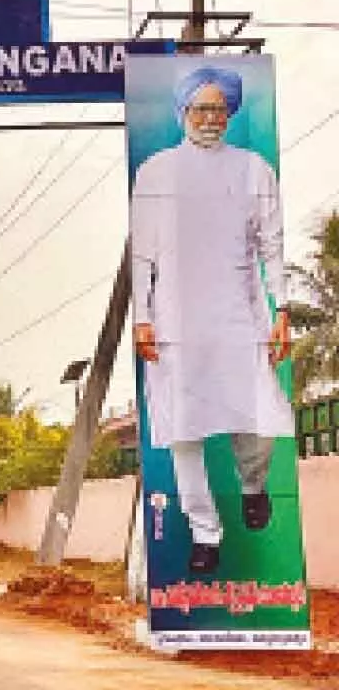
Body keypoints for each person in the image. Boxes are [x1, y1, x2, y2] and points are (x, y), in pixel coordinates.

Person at [130, 65, 293, 575]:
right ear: (183, 113)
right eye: (200, 108)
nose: (209, 118)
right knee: (185, 434)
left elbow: (272, 246)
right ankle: (205, 532)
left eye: (218, 109)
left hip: (239, 319)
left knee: (257, 420)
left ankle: (252, 485)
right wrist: (142, 317)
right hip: (175, 323)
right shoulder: (155, 171)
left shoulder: (254, 170)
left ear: (230, 113)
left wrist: (281, 309)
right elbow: (143, 255)